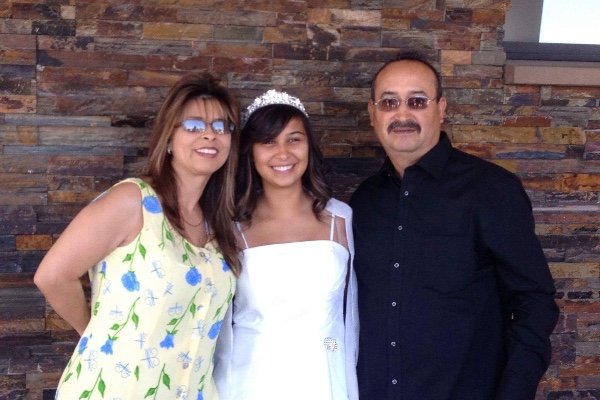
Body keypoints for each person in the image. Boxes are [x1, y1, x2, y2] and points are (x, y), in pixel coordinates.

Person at [350, 51, 559, 400]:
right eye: (389, 102)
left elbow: (533, 301)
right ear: (372, 113)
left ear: (441, 108)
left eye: (417, 101)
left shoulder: (491, 191)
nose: (402, 114)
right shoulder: (364, 202)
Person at [34, 72, 240, 400]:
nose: (209, 135)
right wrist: (93, 334)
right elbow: (52, 275)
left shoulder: (218, 225)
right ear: (169, 139)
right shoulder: (134, 201)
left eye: (220, 126)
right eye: (193, 125)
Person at [214, 90, 359, 400]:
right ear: (251, 152)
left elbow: (350, 317)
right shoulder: (230, 228)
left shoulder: (341, 220)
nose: (283, 153)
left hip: (323, 376)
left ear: (309, 146)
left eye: (294, 139)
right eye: (268, 141)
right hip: (250, 381)